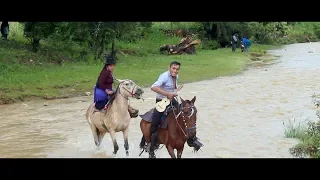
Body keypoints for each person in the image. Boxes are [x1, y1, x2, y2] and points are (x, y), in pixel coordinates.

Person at [149, 61, 181, 154]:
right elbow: (153, 87)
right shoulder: (164, 76)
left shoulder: (176, 76)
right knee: (155, 123)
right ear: (169, 68)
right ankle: (152, 145)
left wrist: (174, 92)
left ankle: (191, 138)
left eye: (177, 69)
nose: (175, 71)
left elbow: (173, 89)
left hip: (171, 100)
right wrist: (167, 94)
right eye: (173, 68)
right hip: (161, 101)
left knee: (183, 113)